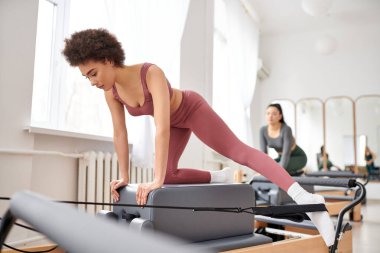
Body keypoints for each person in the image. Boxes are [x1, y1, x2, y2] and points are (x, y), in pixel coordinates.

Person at [62, 28, 335, 246]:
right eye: (87, 77)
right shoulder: (111, 93)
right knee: (168, 175)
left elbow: (161, 127)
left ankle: (309, 201)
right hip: (173, 122)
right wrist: (123, 175)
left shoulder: (150, 72)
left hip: (191, 110)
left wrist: (155, 180)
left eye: (94, 73)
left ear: (108, 59)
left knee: (240, 152)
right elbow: (119, 132)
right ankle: (219, 177)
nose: (92, 82)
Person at [259, 104, 307, 176]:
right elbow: (263, 154)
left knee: (275, 168)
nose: (270, 116)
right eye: (268, 113)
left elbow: (286, 153)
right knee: (268, 167)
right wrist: (263, 169)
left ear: (280, 116)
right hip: (281, 157)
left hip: (298, 157)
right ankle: (295, 173)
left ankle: (295, 172)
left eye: (274, 114)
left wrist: (277, 170)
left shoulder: (286, 129)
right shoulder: (263, 130)